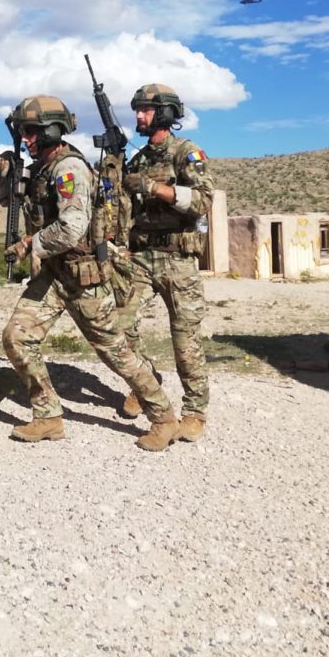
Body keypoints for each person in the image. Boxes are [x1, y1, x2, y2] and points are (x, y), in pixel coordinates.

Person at [0, 96, 180, 451]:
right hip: (53, 274)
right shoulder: (41, 168)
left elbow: (71, 227)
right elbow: (12, 203)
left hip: (82, 278)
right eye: (23, 132)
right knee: (16, 338)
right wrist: (5, 174)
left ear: (51, 131)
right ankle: (48, 416)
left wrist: (29, 244)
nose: (26, 139)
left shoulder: (69, 169)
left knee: (117, 353)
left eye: (31, 132)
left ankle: (164, 418)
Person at [114, 84, 215, 442]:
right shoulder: (138, 159)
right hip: (142, 257)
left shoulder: (186, 152)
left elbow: (203, 200)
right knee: (121, 326)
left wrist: (156, 188)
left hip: (178, 259)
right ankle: (147, 381)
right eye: (137, 109)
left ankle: (194, 411)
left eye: (145, 109)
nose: (138, 116)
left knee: (185, 338)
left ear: (165, 113)